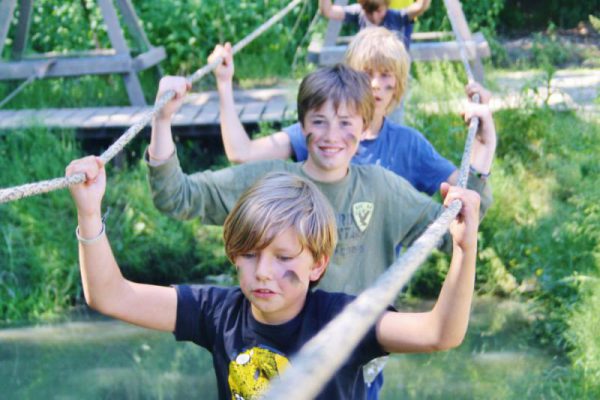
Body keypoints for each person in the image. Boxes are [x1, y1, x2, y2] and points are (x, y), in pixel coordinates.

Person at [66, 159, 481, 399]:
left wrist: (464, 249)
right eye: (249, 255)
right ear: (233, 253)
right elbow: (110, 295)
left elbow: (438, 332)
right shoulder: (217, 313)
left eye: (284, 257)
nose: (263, 271)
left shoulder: (343, 320)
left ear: (317, 265)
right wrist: (88, 212)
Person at [145, 63, 494, 297]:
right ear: (302, 125)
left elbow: (458, 225)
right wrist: (162, 121)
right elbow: (176, 196)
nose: (332, 136)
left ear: (364, 127)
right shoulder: (269, 181)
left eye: (345, 123)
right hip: (279, 360)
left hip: (357, 363)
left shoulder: (381, 188)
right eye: (319, 121)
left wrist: (483, 148)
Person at [211, 27, 493, 197]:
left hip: (377, 287)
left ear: (398, 84)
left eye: (386, 75)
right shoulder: (322, 133)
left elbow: (467, 193)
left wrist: (484, 141)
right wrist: (224, 84)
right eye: (367, 73)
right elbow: (242, 153)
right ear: (349, 77)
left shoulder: (408, 145)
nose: (376, 85)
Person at [319, 0, 431, 49]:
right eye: (368, 11)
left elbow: (421, 6)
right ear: (363, 7)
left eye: (378, 11)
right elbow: (328, 11)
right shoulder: (359, 13)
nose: (374, 16)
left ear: (387, 7)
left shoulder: (394, 16)